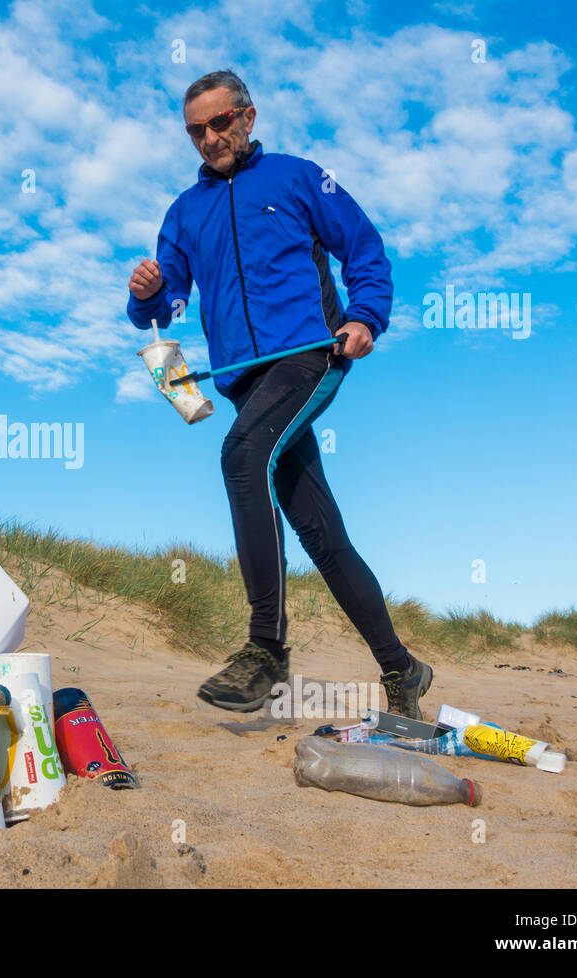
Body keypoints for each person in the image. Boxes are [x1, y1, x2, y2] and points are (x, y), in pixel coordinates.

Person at [126, 69, 433, 719]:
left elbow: (365, 249)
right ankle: (403, 668)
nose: (209, 138)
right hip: (244, 381)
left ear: (247, 117)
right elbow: (168, 304)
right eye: (195, 130)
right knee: (322, 533)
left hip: (307, 355)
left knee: (241, 458)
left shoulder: (297, 176)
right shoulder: (185, 213)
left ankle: (266, 649)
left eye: (219, 123)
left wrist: (364, 315)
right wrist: (148, 294)